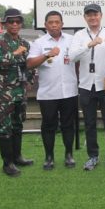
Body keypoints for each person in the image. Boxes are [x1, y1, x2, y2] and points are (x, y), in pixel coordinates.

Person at [69, 3, 105, 171]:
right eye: (89, 15)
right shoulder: (78, 35)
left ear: (101, 15)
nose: (92, 17)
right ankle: (93, 156)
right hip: (86, 85)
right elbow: (71, 57)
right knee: (90, 123)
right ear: (85, 17)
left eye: (95, 14)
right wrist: (89, 45)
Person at [27, 11, 78, 170]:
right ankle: (49, 157)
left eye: (57, 22)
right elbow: (29, 64)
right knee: (49, 126)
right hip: (48, 93)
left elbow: (78, 61)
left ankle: (69, 155)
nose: (54, 25)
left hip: (69, 91)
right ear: (45, 25)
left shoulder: (72, 40)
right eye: (51, 22)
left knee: (68, 125)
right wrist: (47, 54)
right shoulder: (39, 43)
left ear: (62, 24)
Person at [0, 8, 36, 177]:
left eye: (17, 22)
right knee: (4, 128)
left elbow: (28, 65)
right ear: (5, 24)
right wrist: (14, 54)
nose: (15, 25)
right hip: (3, 93)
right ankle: (7, 163)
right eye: (11, 22)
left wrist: (29, 80)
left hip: (19, 91)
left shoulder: (26, 43)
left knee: (17, 125)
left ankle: (17, 157)